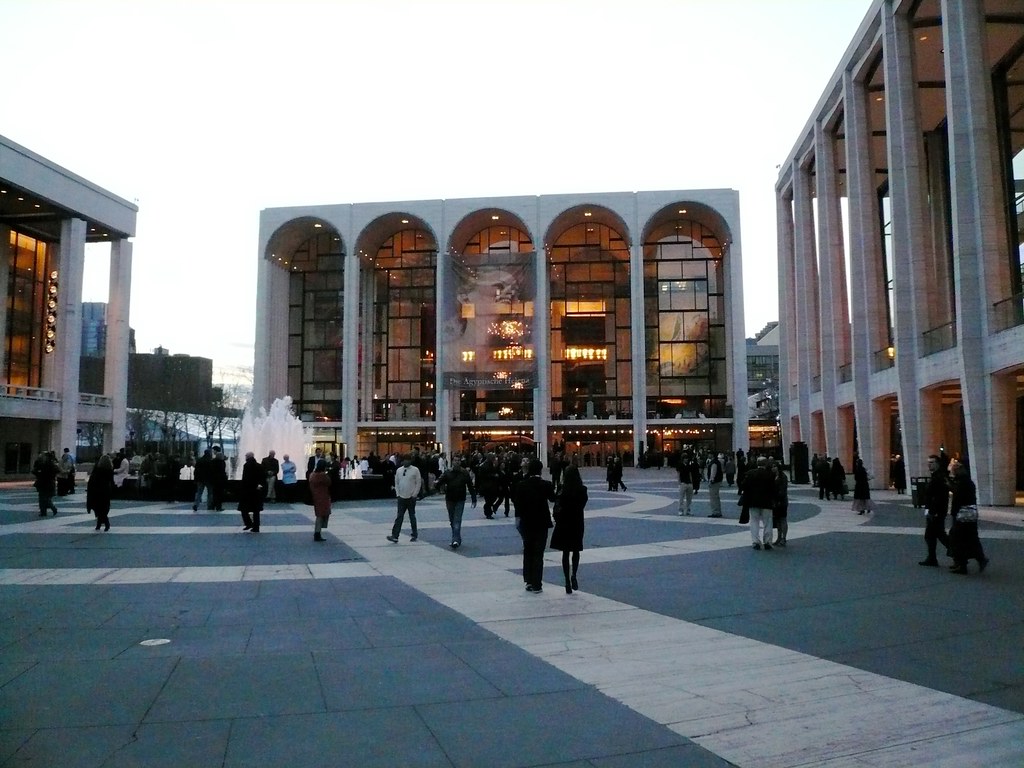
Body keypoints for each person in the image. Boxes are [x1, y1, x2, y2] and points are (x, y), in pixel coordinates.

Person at [511, 458, 557, 593]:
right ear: (540, 470)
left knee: (528, 550)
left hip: (526, 521)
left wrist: (518, 518)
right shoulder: (546, 485)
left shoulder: (521, 485)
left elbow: (517, 503)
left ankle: (528, 580)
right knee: (538, 553)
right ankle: (537, 583)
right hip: (541, 522)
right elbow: (553, 499)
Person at [550, 462, 588, 594]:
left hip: (564, 522)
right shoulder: (582, 489)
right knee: (576, 550)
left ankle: (566, 580)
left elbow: (556, 503)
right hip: (577, 522)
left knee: (565, 552)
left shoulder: (562, 488)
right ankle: (574, 575)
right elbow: (582, 505)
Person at [947, 459, 988, 574]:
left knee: (958, 537)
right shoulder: (967, 482)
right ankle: (975, 559)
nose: (952, 473)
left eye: (953, 471)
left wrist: (950, 486)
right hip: (969, 513)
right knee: (970, 537)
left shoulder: (962, 483)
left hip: (963, 514)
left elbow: (958, 497)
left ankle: (963, 564)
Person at [437, 455, 476, 548]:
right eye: (455, 460)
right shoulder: (448, 472)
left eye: (458, 460)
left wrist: (473, 499)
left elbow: (470, 486)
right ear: (453, 461)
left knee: (457, 520)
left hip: (460, 499)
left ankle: (455, 540)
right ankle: (457, 537)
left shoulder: (464, 473)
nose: (457, 462)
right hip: (450, 499)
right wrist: (437, 484)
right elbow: (440, 481)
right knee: (452, 520)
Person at [919, 454, 951, 567]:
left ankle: (958, 554)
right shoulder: (936, 476)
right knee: (932, 535)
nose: (929, 464)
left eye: (932, 462)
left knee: (938, 535)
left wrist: (933, 511)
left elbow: (939, 497)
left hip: (936, 511)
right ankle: (932, 558)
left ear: (937, 464)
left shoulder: (939, 477)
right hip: (934, 510)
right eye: (928, 462)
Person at [742, 456, 777, 550]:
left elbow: (744, 486)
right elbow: (773, 489)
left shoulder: (750, 473)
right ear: (766, 464)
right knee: (768, 522)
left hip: (753, 501)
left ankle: (755, 541)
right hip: (767, 502)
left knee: (754, 521)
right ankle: (768, 541)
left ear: (757, 464)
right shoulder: (770, 474)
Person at [387, 454, 422, 542]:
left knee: (412, 516)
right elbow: (397, 482)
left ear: (410, 461)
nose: (406, 462)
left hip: (411, 497)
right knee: (399, 516)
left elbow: (418, 483)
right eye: (404, 460)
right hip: (401, 497)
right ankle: (395, 535)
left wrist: (415, 494)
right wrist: (398, 494)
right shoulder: (399, 470)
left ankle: (414, 534)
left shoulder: (415, 470)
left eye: (408, 460)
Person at [237, 452, 265, 532]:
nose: (245, 457)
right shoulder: (259, 466)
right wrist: (259, 486)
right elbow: (262, 478)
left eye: (246, 456)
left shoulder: (246, 465)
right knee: (256, 511)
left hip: (247, 491)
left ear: (249, 457)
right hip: (256, 491)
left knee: (243, 509)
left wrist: (242, 489)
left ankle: (248, 523)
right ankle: (256, 527)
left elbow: (245, 479)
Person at [87, 454, 115, 531]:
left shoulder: (97, 469)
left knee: (98, 507)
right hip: (106, 490)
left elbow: (92, 479)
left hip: (98, 490)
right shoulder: (110, 470)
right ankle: (103, 524)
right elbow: (111, 481)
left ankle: (103, 523)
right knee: (104, 507)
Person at [308, 458, 332, 542]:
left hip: (316, 496)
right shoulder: (322, 475)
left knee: (319, 515)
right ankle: (317, 533)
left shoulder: (312, 475)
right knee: (321, 515)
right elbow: (329, 482)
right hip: (323, 496)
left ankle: (317, 532)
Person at [32, 451, 59, 517]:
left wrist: (39, 473)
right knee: (43, 498)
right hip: (46, 482)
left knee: (44, 498)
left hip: (46, 482)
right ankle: (44, 511)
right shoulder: (47, 463)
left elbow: (35, 471)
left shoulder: (48, 464)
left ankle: (50, 509)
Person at [772, 459, 789, 546]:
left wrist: (778, 497)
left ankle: (784, 538)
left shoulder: (783, 477)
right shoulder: (773, 476)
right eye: (772, 467)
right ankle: (779, 537)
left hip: (782, 502)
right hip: (775, 502)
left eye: (775, 467)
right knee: (777, 520)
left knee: (783, 519)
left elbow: (783, 490)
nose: (773, 468)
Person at [208, 446, 228, 511]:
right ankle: (218, 507)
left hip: (214, 480)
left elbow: (210, 471)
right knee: (219, 494)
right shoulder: (222, 463)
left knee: (214, 493)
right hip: (220, 481)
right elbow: (223, 472)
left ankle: (212, 506)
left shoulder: (212, 462)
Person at [706, 452, 724, 517]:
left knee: (713, 498)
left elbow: (713, 472)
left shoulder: (714, 463)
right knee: (716, 497)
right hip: (718, 481)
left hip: (714, 482)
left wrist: (711, 480)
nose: (708, 455)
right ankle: (718, 511)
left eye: (709, 453)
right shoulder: (717, 462)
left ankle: (715, 512)